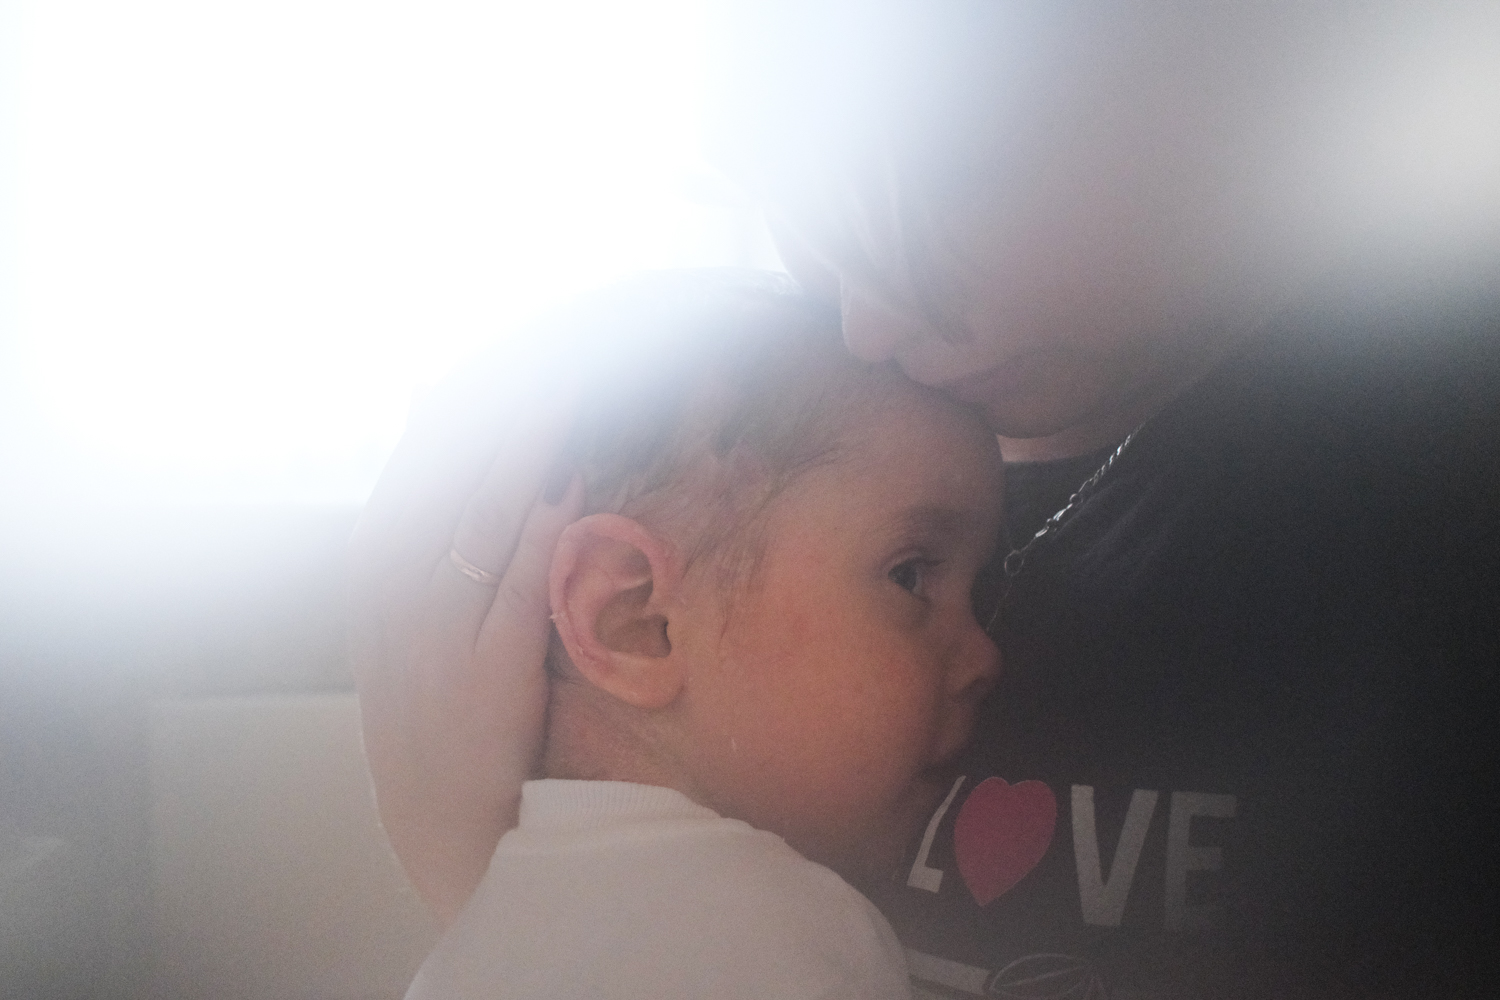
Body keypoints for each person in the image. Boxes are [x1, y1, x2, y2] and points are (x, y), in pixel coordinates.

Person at [351, 4, 1500, 996]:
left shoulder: (1434, 481)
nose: (865, 320)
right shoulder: (729, 460)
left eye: (937, 187)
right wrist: (503, 876)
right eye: (797, 208)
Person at [401, 270, 1003, 1000]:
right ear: (638, 621)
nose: (985, 658)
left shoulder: (488, 930)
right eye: (910, 576)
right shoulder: (780, 937)